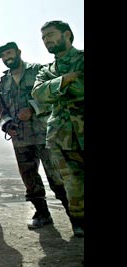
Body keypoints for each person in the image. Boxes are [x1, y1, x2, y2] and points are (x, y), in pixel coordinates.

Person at [0, 41, 71, 229]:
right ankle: (42, 214)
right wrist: (7, 125)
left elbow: (56, 95)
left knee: (57, 177)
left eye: (9, 53)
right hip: (20, 138)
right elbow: (3, 110)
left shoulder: (39, 71)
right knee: (30, 179)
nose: (8, 57)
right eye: (4, 56)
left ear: (18, 52)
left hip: (44, 134)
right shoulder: (3, 82)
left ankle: (75, 217)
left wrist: (33, 108)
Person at [31, 21, 84, 237]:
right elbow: (38, 94)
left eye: (51, 35)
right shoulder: (47, 70)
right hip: (61, 137)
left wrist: (56, 88)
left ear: (67, 35)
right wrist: (65, 80)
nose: (47, 40)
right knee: (73, 187)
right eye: (43, 38)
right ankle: (79, 226)